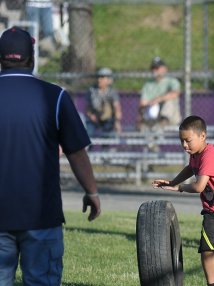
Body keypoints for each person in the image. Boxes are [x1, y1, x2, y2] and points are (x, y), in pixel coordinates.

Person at [0, 26, 101, 285]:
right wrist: (92, 192)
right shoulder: (55, 96)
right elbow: (76, 153)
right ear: (32, 58)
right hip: (41, 215)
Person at [152, 115, 214, 286]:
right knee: (207, 248)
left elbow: (199, 187)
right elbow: (191, 168)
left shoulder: (210, 155)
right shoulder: (195, 155)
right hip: (213, 211)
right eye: (181, 141)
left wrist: (180, 188)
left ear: (203, 136)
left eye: (188, 140)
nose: (184, 145)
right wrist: (173, 182)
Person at [138, 56, 182, 131]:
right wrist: (153, 103)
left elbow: (175, 93)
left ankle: (163, 122)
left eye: (157, 68)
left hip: (171, 118)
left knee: (170, 100)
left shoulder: (171, 81)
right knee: (147, 109)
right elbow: (143, 102)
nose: (155, 71)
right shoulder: (148, 84)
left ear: (164, 69)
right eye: (153, 68)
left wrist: (158, 99)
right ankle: (152, 133)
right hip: (154, 118)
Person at [85, 67, 122, 136]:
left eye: (102, 77)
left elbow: (117, 108)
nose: (99, 80)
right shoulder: (92, 90)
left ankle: (105, 146)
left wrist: (117, 122)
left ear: (109, 80)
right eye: (98, 77)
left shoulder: (112, 92)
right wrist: (91, 115)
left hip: (107, 119)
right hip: (94, 118)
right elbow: (88, 108)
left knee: (107, 131)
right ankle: (88, 146)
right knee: (88, 131)